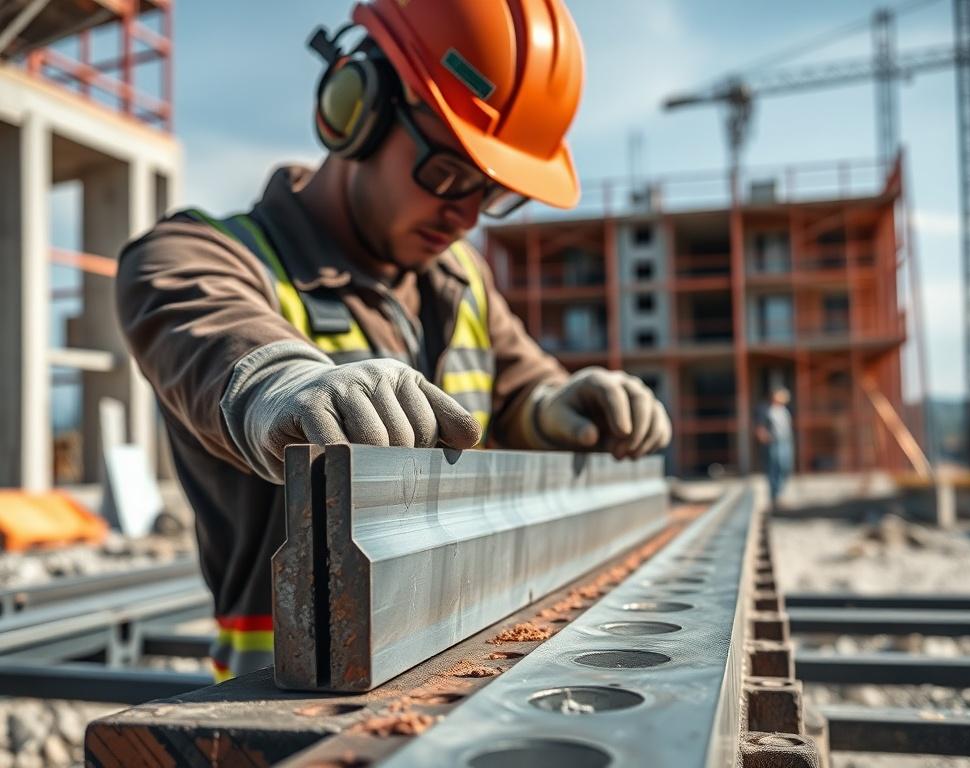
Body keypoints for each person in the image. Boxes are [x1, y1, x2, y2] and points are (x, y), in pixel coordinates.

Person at [116, 0, 671, 681]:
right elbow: (216, 337)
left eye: (492, 193)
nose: (465, 214)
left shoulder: (461, 280)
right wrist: (286, 386)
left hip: (476, 668)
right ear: (359, 107)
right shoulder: (199, 256)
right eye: (446, 172)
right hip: (286, 708)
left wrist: (560, 405)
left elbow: (523, 385)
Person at [756, 387, 794, 509]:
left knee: (785, 467)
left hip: (786, 441)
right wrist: (764, 437)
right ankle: (775, 496)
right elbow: (760, 427)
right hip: (774, 443)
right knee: (774, 468)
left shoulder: (784, 410)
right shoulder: (765, 409)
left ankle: (780, 493)